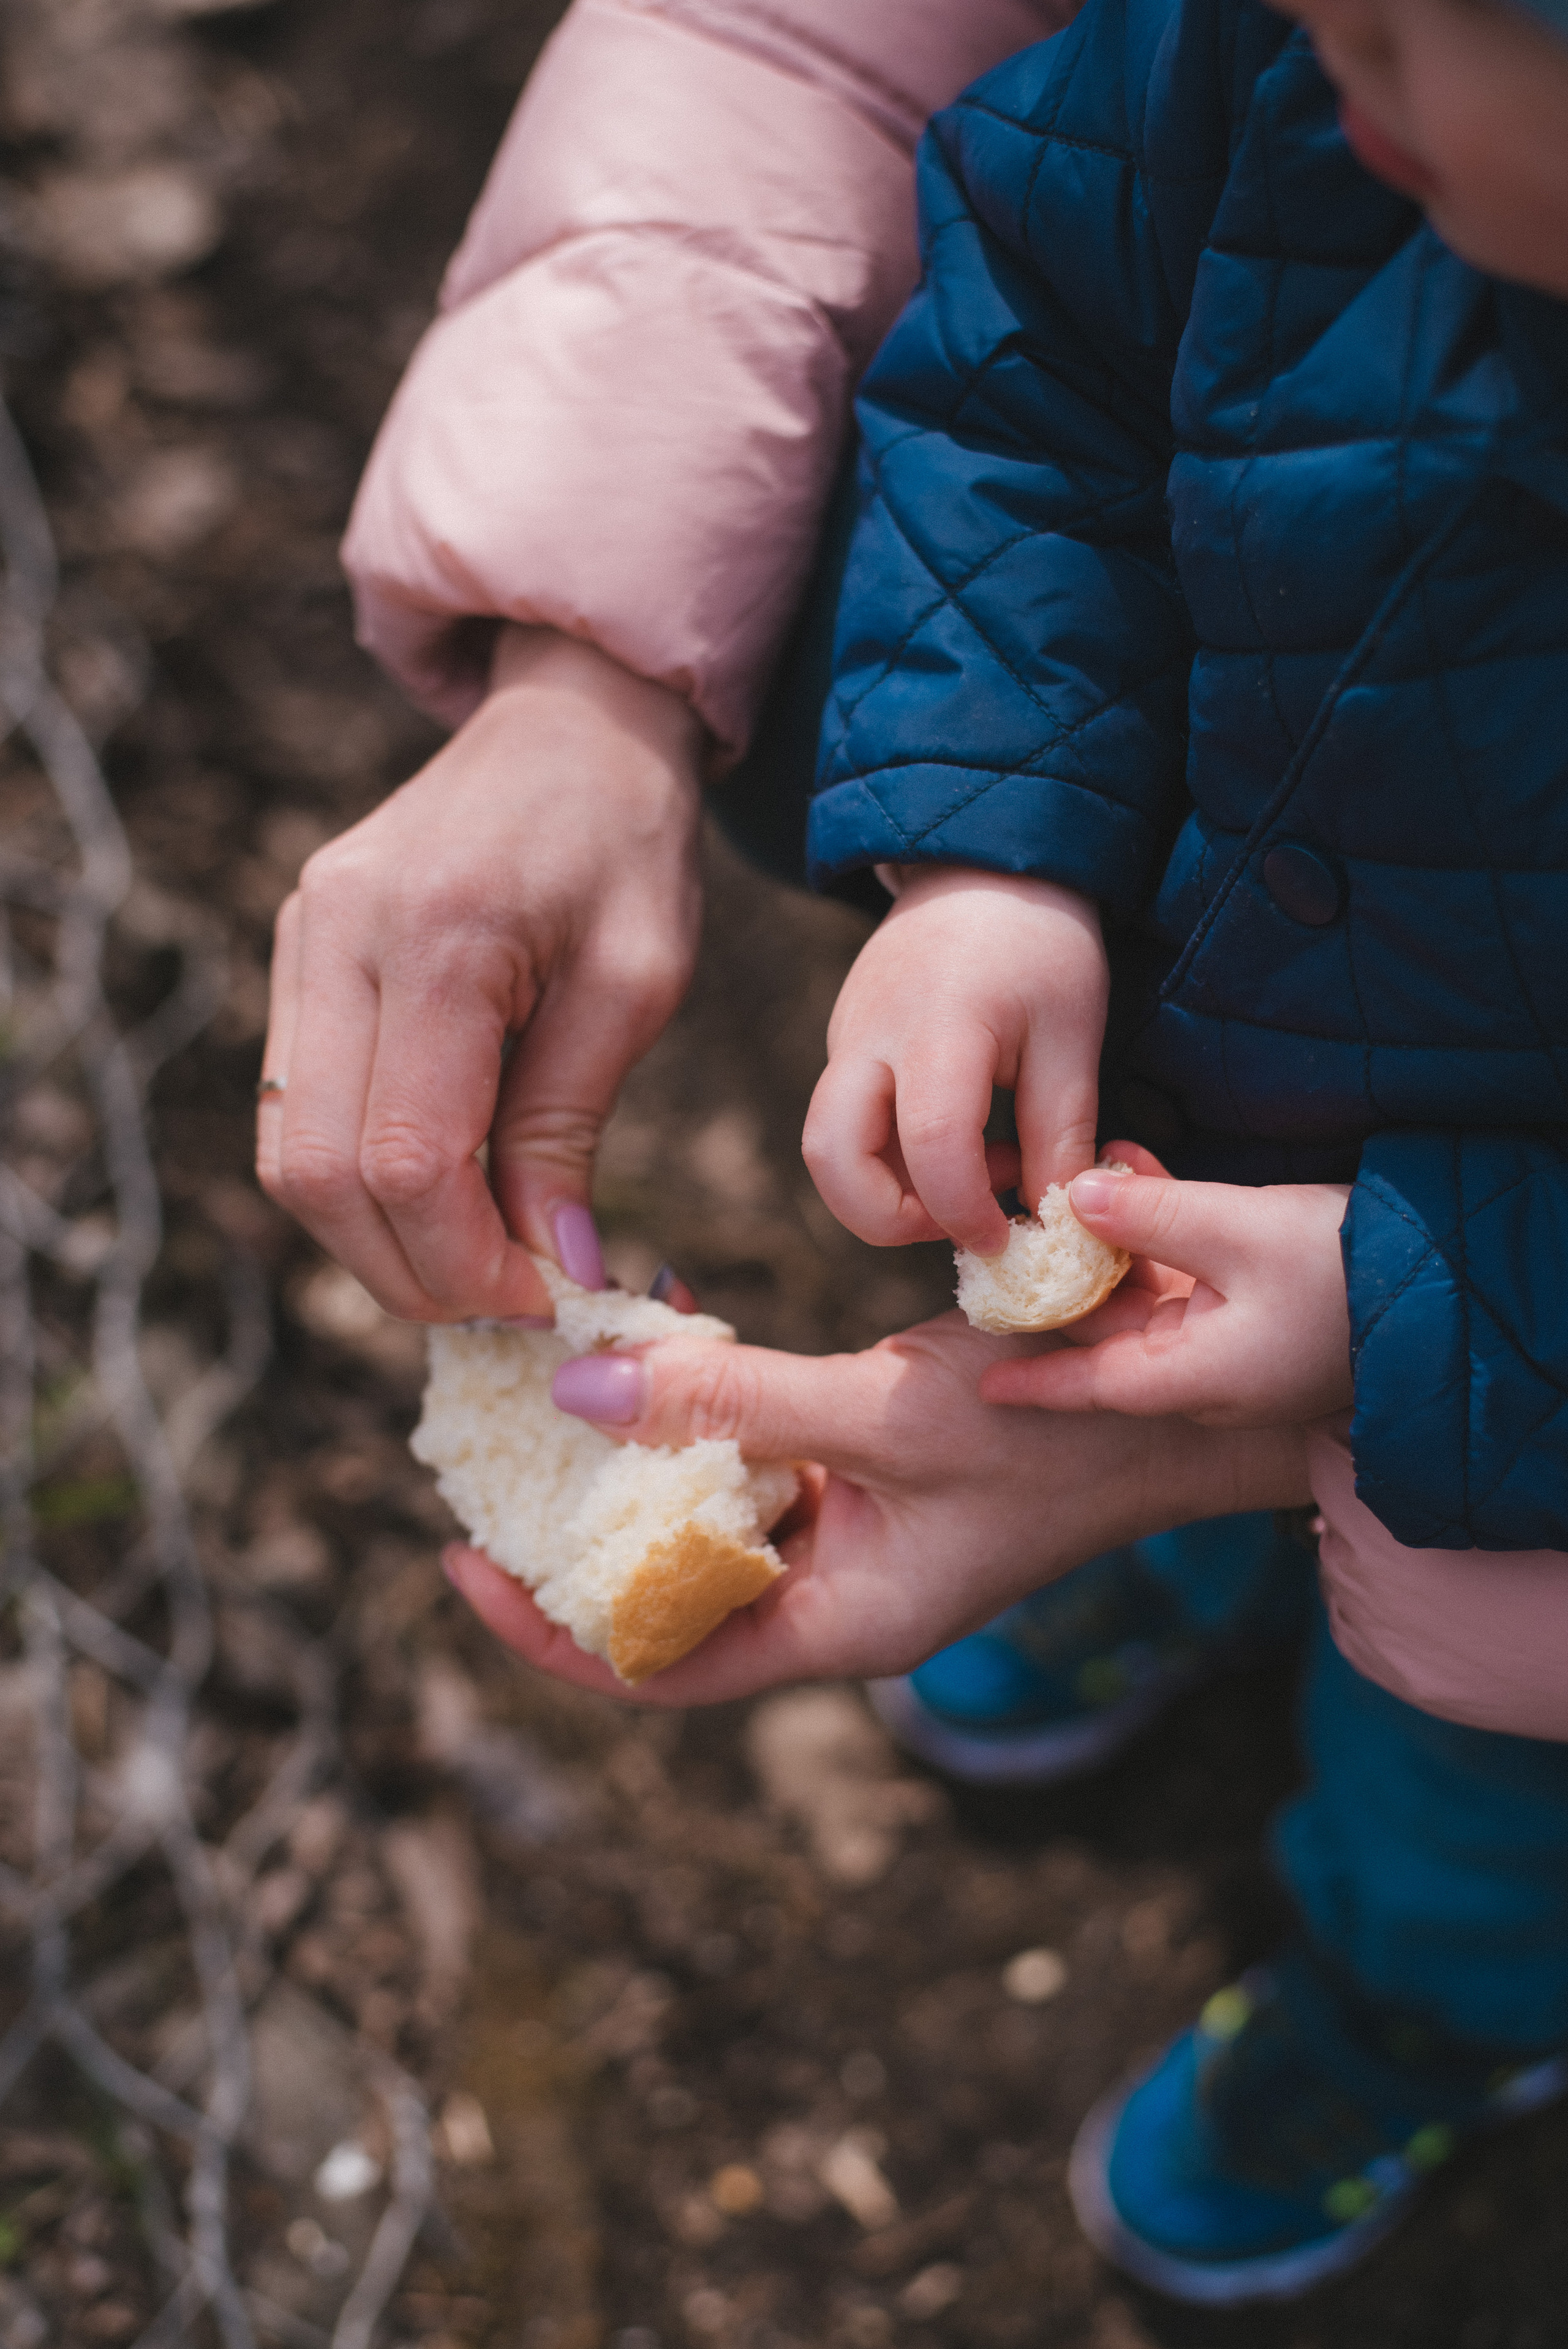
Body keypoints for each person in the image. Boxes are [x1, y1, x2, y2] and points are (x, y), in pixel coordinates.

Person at [254, 0, 1568, 2315]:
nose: (1337, 26)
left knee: (1483, 1792)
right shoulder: (1267, 78)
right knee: (1165, 1403)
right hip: (1214, 1088)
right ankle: (1193, 1541)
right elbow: (1026, 365)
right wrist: (992, 863)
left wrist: (1401, 1325)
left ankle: (1425, 2005)